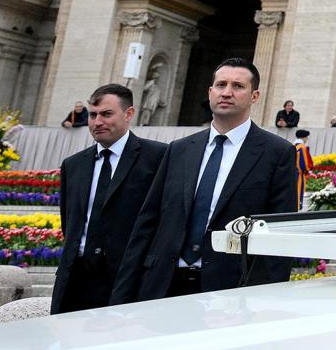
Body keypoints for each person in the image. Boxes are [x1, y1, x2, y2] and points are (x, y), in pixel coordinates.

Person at [112, 58, 300, 301]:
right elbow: (147, 222)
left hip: (230, 293)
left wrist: (259, 302)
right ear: (210, 92)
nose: (227, 92)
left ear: (255, 96)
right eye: (221, 85)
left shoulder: (277, 153)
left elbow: (279, 234)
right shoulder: (179, 150)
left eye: (238, 86)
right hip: (162, 287)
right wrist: (122, 298)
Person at [52, 85, 168, 314]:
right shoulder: (73, 165)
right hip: (76, 280)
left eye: (106, 114)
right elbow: (70, 223)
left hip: (128, 281)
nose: (97, 122)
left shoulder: (157, 157)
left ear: (129, 114)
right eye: (93, 115)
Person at [291, 129, 315, 206]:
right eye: (306, 137)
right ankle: (297, 206)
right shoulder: (302, 147)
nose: (307, 139)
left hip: (292, 172)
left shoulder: (293, 145)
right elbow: (304, 162)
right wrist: (307, 170)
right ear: (304, 137)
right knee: (298, 191)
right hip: (299, 173)